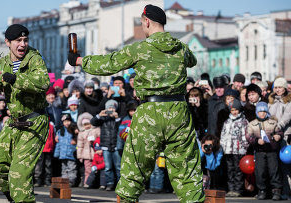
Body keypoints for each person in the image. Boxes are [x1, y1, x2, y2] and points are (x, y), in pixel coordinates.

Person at [68, 4, 204, 202]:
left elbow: (110, 63)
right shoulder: (180, 47)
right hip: (178, 112)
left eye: (142, 23)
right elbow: (192, 61)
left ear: (147, 21)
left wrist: (80, 60)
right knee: (187, 171)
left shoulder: (140, 48)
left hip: (150, 112)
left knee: (135, 169)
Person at [0, 24, 50, 202]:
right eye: (18, 40)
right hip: (14, 123)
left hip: (34, 122)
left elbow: (43, 82)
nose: (23, 44)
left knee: (19, 173)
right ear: (8, 42)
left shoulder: (34, 58)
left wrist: (16, 79)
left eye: (25, 40)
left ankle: (21, 197)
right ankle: (16, 197)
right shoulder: (2, 63)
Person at [246, 102, 283, 200]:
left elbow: (279, 132)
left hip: (272, 151)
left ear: (266, 112)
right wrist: (257, 141)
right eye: (260, 111)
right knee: (260, 172)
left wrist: (278, 136)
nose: (262, 113)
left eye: (264, 111)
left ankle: (276, 191)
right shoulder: (252, 124)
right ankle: (262, 190)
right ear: (257, 112)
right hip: (259, 152)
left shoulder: (273, 123)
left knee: (274, 171)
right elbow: (248, 137)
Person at [219, 99, 249, 197]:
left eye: (236, 110)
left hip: (239, 150)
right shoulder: (227, 122)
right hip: (228, 150)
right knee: (230, 170)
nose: (234, 112)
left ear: (239, 110)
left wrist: (244, 146)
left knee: (238, 170)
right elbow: (223, 135)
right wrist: (223, 146)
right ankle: (231, 189)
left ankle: (238, 189)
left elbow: (246, 135)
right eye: (232, 110)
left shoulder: (243, 121)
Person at [91, 99, 122, 191]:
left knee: (118, 166)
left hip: (116, 145)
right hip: (105, 145)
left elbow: (121, 128)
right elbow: (93, 122)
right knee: (108, 167)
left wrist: (117, 118)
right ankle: (110, 183)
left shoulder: (118, 118)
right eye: (109, 108)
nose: (111, 110)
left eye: (112, 108)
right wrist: (99, 115)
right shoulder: (103, 118)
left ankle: (120, 184)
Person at [76, 112, 100, 188]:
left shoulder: (96, 130)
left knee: (96, 168)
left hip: (95, 153)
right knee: (87, 169)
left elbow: (99, 139)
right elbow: (80, 145)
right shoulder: (82, 133)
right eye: (85, 125)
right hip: (86, 154)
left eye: (88, 124)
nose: (87, 126)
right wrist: (79, 156)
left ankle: (96, 183)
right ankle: (87, 182)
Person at [54, 113, 78, 187]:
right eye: (64, 121)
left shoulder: (74, 129)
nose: (66, 123)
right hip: (63, 154)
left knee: (71, 168)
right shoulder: (60, 131)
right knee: (64, 168)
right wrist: (56, 153)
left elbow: (79, 139)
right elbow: (58, 144)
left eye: (68, 121)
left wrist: (76, 139)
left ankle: (71, 181)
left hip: (71, 153)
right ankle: (64, 180)